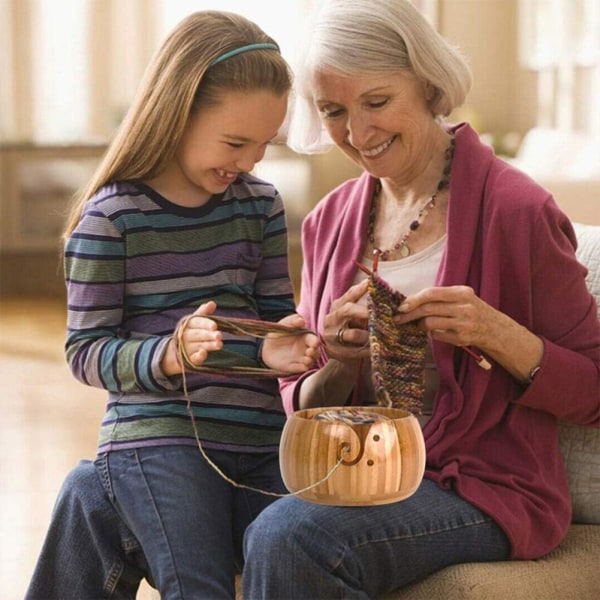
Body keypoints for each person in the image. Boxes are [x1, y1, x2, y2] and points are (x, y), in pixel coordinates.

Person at [241, 0, 600, 598]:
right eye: (334, 111)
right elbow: (300, 399)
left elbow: (594, 390)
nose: (357, 134)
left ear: (429, 85)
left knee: (292, 536)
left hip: (484, 486)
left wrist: (497, 333)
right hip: (354, 469)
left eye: (377, 102)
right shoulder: (328, 221)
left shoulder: (519, 212)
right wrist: (337, 360)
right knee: (145, 489)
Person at [26, 10, 319, 600]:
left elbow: (267, 322)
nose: (251, 161)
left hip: (260, 439)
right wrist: (168, 355)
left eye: (264, 144)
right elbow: (85, 352)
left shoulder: (260, 206)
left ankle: (96, 491)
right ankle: (104, 486)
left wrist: (283, 348)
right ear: (178, 111)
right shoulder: (111, 219)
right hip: (160, 438)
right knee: (199, 585)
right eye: (236, 142)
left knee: (296, 562)